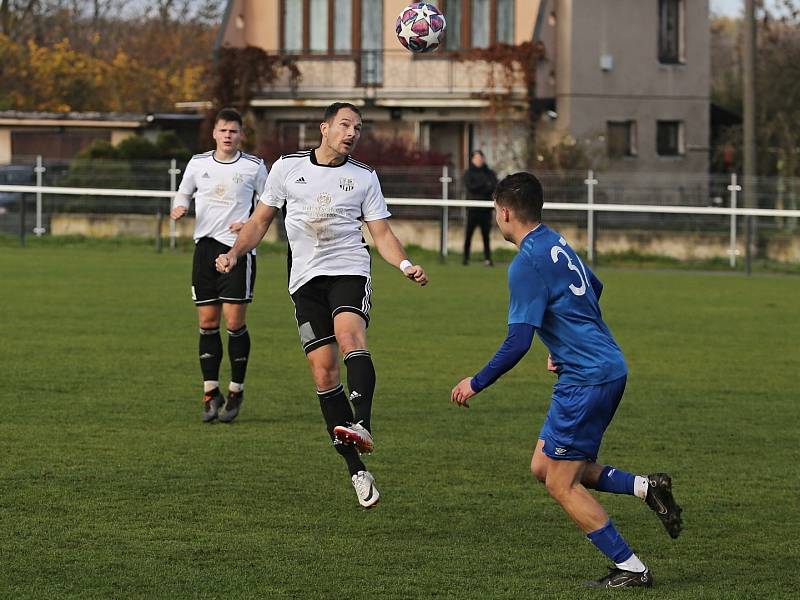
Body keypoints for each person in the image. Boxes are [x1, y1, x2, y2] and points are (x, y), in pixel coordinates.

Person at [450, 172, 682, 588]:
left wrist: (476, 381)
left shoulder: (526, 263)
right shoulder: (554, 241)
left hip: (589, 378)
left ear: (503, 213)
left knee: (561, 482)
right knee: (543, 465)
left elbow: (518, 340)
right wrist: (564, 347)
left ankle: (632, 569)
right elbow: (594, 285)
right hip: (598, 367)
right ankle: (649, 489)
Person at [216, 102, 428, 508]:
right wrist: (235, 253)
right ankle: (357, 471)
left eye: (359, 128)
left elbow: (380, 233)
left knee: (350, 335)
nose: (352, 133)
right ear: (324, 128)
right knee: (323, 371)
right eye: (345, 125)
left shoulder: (364, 177)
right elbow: (260, 221)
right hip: (305, 280)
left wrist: (404, 264)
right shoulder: (286, 168)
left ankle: (362, 424)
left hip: (349, 269)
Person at [171, 108, 268, 424]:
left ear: (242, 135)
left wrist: (249, 223)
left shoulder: (254, 166)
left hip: (238, 250)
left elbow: (269, 205)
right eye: (223, 130)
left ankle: (236, 390)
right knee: (207, 321)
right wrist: (181, 206)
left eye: (234, 131)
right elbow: (183, 191)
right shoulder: (198, 163)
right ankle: (210, 394)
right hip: (205, 249)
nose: (228, 135)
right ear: (214, 133)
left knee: (234, 321)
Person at [462, 149, 497, 266]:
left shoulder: (489, 172)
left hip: (486, 210)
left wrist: (484, 186)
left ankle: (488, 259)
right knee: (468, 235)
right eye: (476, 158)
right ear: (472, 160)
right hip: (472, 210)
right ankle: (465, 258)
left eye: (481, 158)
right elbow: (471, 187)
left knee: (486, 236)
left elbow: (493, 185)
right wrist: (484, 185)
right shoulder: (468, 173)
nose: (479, 160)